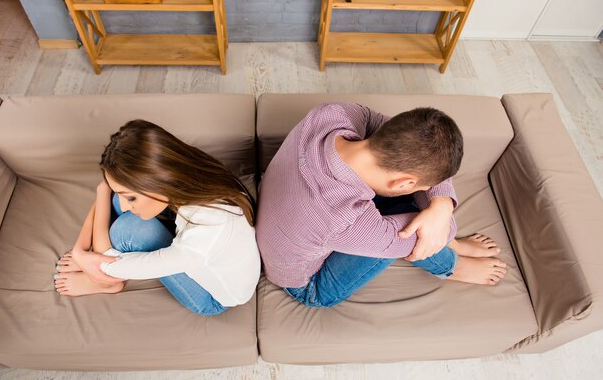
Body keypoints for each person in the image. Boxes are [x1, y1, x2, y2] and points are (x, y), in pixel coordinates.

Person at [256, 103, 507, 308]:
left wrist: (440, 202)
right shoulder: (344, 218)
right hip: (306, 283)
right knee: (417, 223)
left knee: (426, 215)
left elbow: (383, 123)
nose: (424, 190)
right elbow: (436, 233)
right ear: (404, 182)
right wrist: (441, 210)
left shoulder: (331, 114)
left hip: (291, 214)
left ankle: (451, 244)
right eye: (420, 185)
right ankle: (453, 266)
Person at [54, 120, 261, 315]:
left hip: (212, 298)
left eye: (132, 197)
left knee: (127, 231)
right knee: (117, 202)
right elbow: (108, 187)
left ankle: (107, 285)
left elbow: (106, 264)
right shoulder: (189, 173)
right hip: (200, 244)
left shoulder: (206, 235)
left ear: (155, 181)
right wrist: (80, 248)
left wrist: (82, 255)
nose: (126, 204)